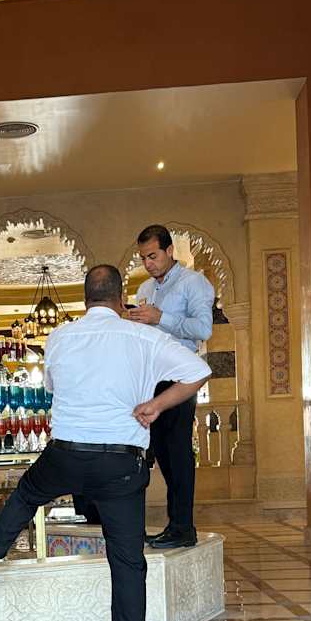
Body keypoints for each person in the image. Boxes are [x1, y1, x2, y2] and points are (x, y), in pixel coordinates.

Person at [0, 265, 210, 621]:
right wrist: (156, 404)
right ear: (121, 299)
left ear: (85, 299)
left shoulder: (60, 337)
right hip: (121, 463)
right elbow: (198, 370)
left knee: (26, 495)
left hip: (67, 454)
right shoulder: (143, 337)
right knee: (128, 563)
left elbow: (53, 387)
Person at [127, 225, 214, 549]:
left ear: (169, 251)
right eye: (143, 258)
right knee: (159, 453)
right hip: (151, 378)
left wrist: (160, 317)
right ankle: (172, 524)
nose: (148, 263)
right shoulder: (145, 288)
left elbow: (203, 329)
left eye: (152, 256)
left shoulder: (193, 283)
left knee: (177, 453)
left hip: (181, 378)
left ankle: (183, 527)